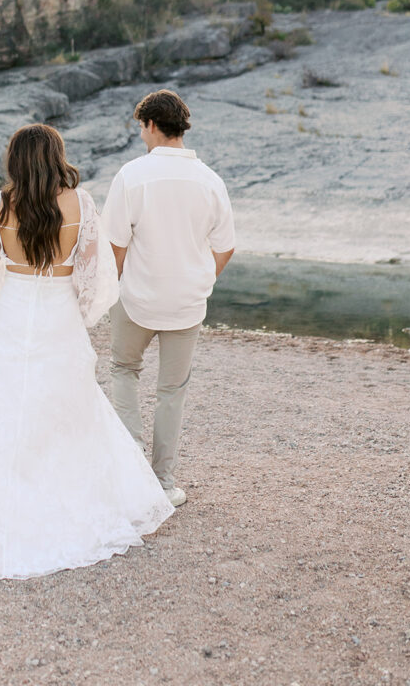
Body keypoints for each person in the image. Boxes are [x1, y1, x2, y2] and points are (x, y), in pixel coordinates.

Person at [0, 124, 174, 581]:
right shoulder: (80, 203)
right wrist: (79, 314)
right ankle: (73, 507)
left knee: (9, 412)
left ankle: (11, 514)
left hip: (12, 315)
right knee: (69, 411)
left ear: (16, 160)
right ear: (55, 156)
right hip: (58, 314)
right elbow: (94, 275)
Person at [101, 90, 235, 508]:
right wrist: (200, 280)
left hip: (138, 297)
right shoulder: (211, 180)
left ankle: (130, 473)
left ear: (152, 125)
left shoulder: (132, 175)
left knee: (124, 370)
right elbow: (226, 246)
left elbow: (115, 246)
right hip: (186, 303)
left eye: (141, 127)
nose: (141, 134)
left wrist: (111, 287)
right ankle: (162, 483)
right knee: (171, 390)